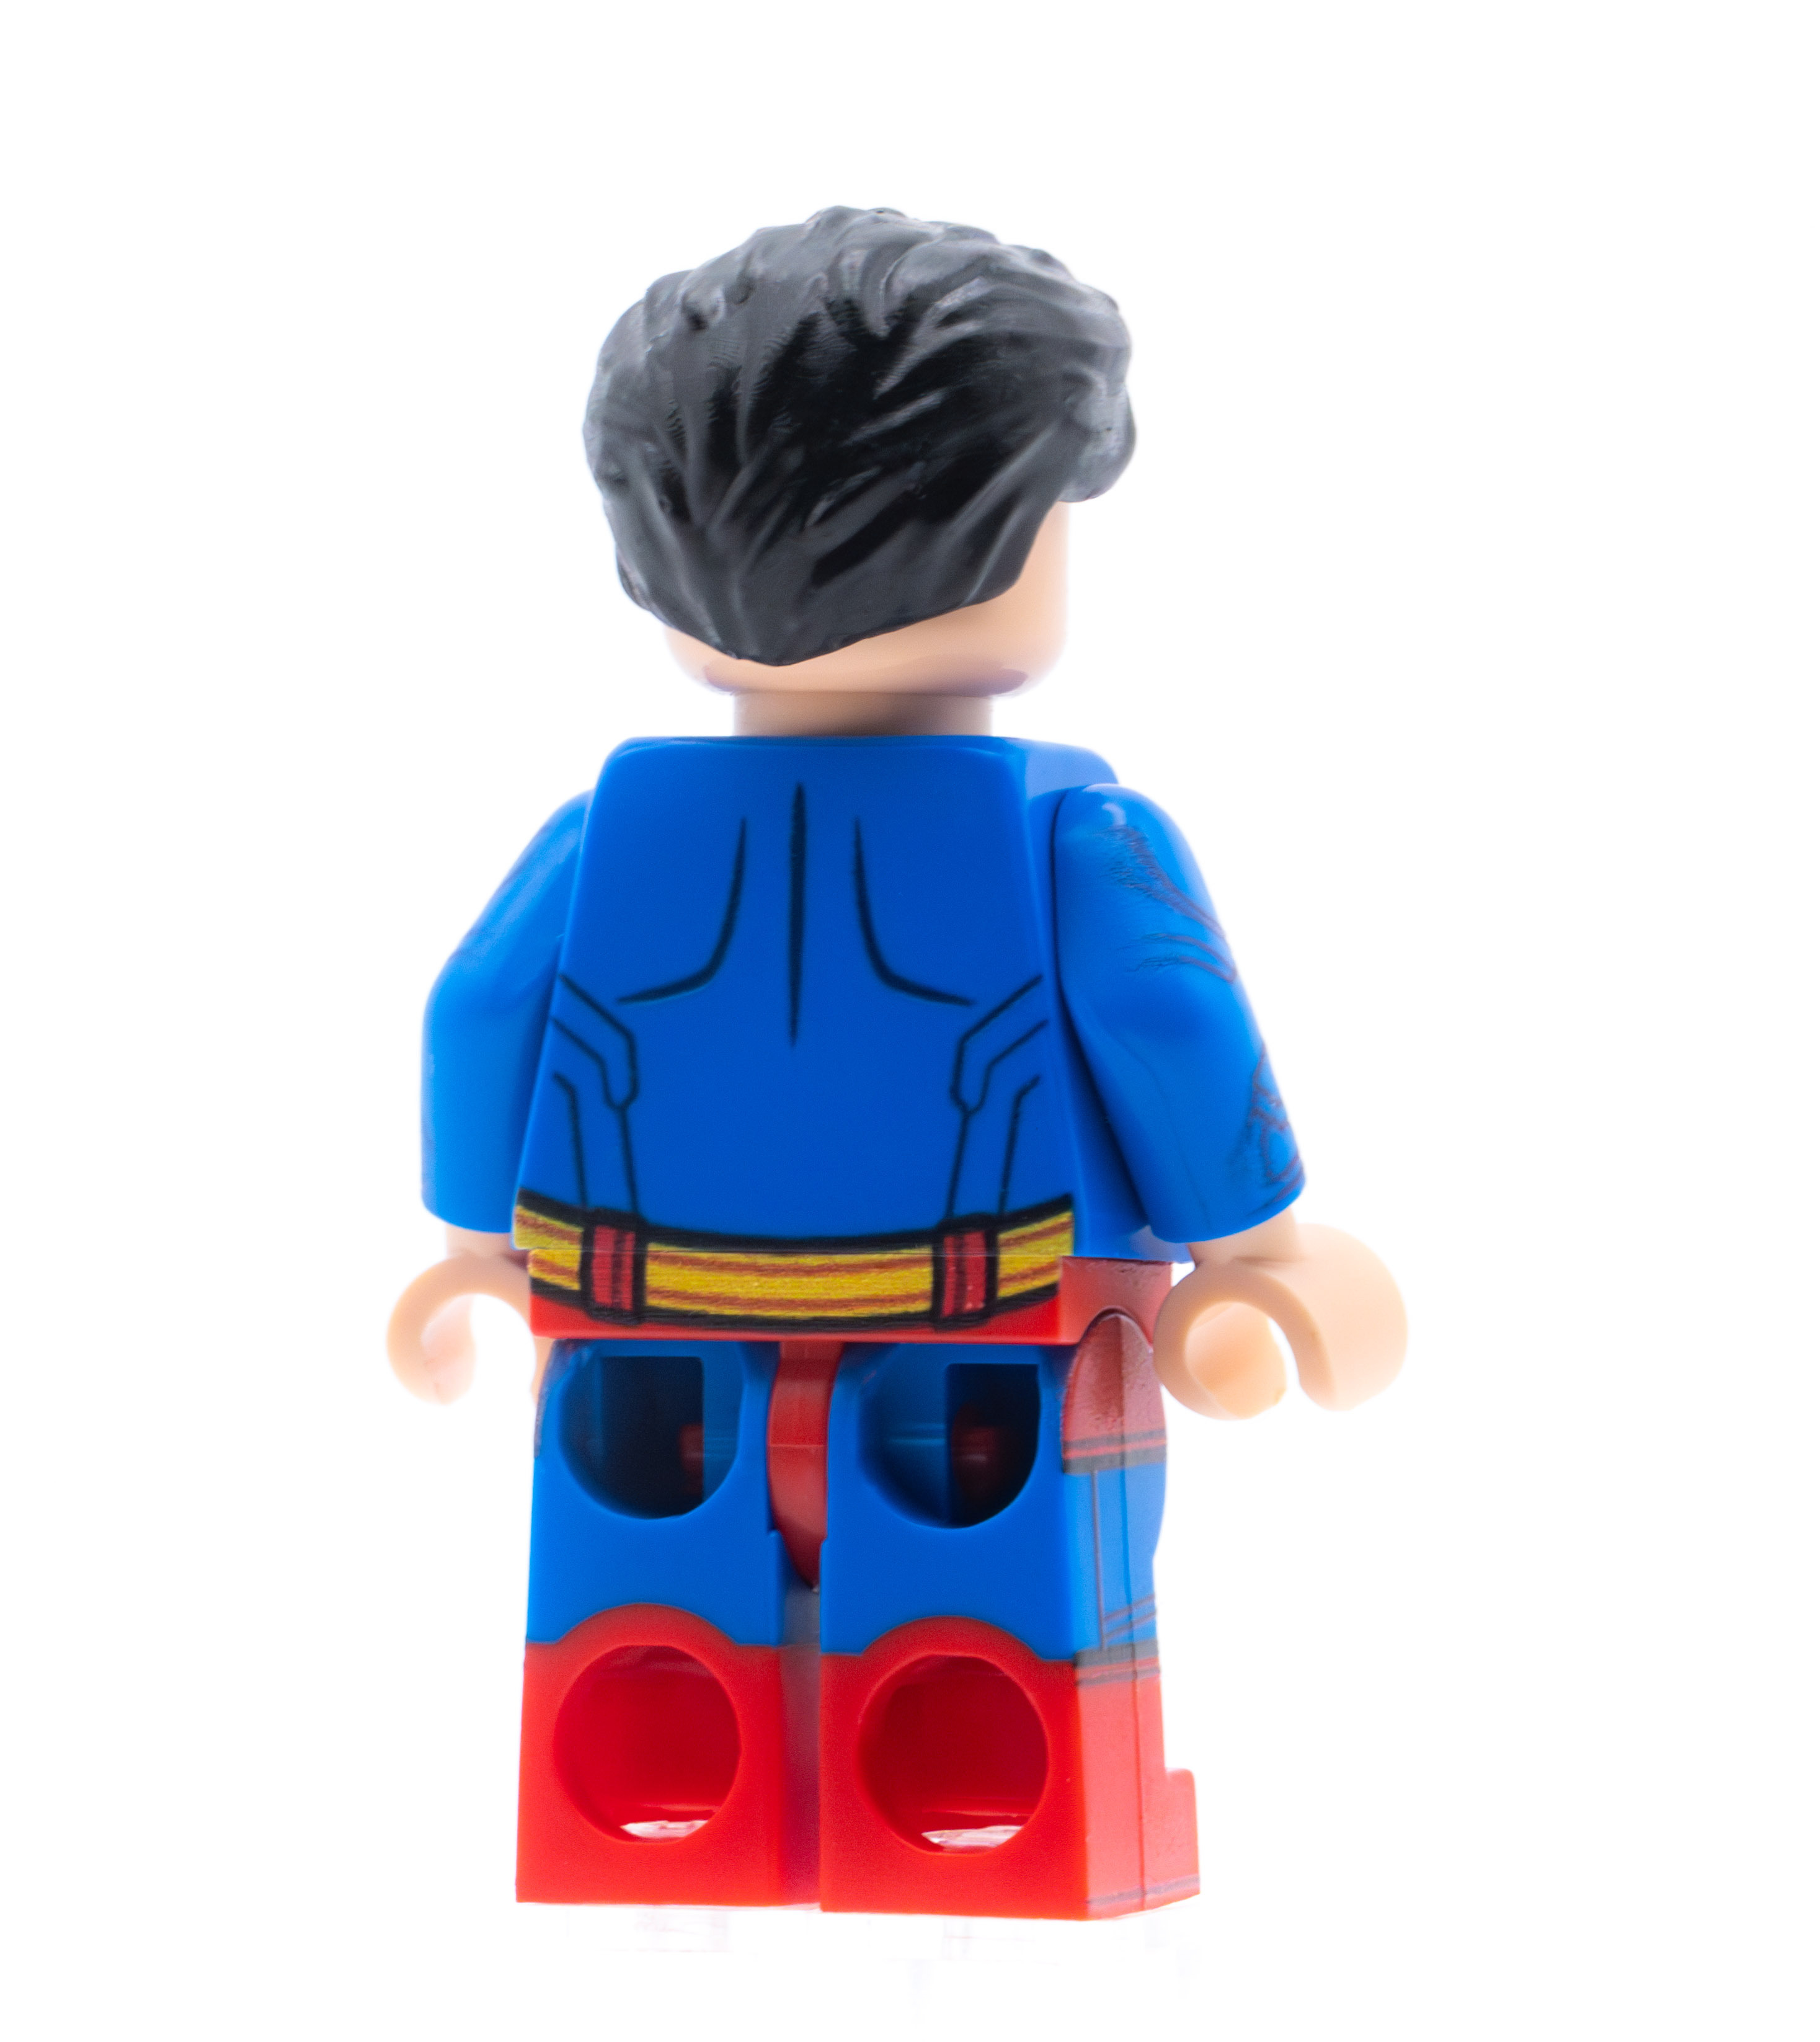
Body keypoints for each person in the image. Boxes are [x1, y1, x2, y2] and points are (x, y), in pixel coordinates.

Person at [387, 208, 1405, 1914]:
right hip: (984, 1312)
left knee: (643, 1614)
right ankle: (966, 1842)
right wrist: (1265, 1249)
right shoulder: (1071, 831)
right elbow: (1163, 1021)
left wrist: (473, 1243)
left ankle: (663, 1832)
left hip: (639, 1314)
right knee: (997, 1624)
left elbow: (478, 1012)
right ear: (1024, 539)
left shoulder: (611, 827)